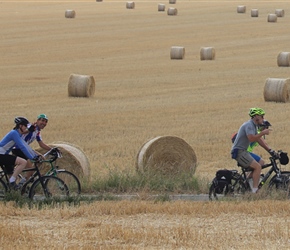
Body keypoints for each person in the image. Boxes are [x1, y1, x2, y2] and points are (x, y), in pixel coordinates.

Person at [231, 108, 275, 193]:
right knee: (257, 167)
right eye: (262, 117)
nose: (263, 119)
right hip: (239, 151)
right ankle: (255, 191)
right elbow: (251, 138)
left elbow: (260, 140)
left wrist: (271, 151)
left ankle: (246, 181)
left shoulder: (253, 126)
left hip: (244, 151)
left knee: (261, 162)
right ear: (256, 117)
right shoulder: (249, 125)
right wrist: (263, 133)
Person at [0, 117, 39, 189]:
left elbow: (25, 144)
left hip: (3, 154)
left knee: (14, 176)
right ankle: (11, 181)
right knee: (23, 162)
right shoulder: (14, 133)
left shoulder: (17, 133)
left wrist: (35, 155)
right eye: (25, 126)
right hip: (1, 155)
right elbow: (22, 146)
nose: (26, 128)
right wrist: (32, 158)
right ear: (20, 126)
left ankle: (10, 192)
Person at [12, 114, 51, 180]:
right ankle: (24, 182)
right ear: (37, 120)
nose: (44, 123)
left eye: (46, 122)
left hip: (24, 148)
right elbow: (23, 131)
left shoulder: (37, 132)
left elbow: (41, 144)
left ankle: (30, 178)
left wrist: (53, 149)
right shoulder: (31, 126)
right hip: (19, 148)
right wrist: (29, 129)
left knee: (41, 159)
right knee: (30, 166)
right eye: (42, 121)